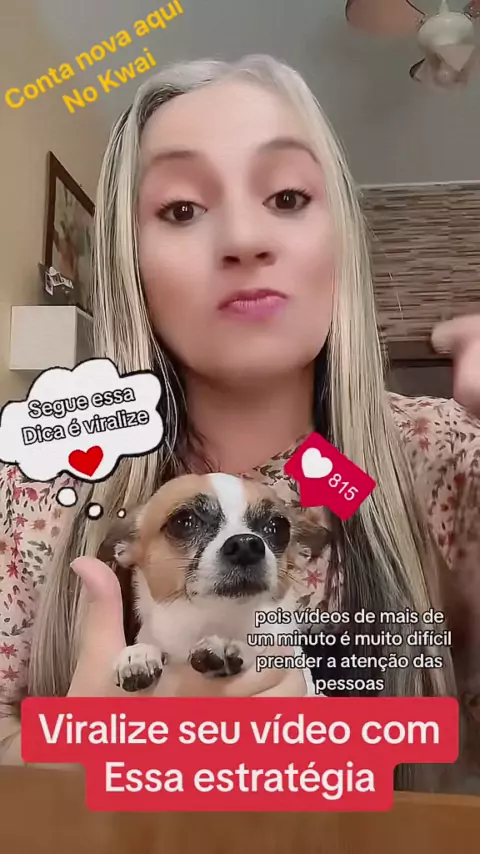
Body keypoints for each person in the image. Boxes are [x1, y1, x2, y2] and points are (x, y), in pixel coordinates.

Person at [1, 55, 480, 790]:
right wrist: (70, 764)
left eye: (287, 196)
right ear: (130, 261)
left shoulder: (437, 453)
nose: (245, 239)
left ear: (341, 238)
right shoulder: (45, 483)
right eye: (182, 209)